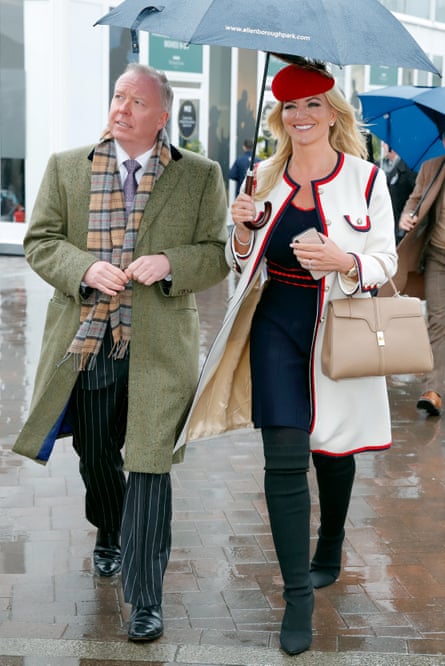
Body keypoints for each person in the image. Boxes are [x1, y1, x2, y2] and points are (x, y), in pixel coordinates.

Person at [176, 58, 397, 656]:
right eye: (290, 106)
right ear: (280, 115)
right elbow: (239, 262)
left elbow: (385, 260)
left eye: (313, 105)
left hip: (339, 329)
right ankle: (297, 594)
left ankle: (331, 543)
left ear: (332, 113)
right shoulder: (261, 177)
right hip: (276, 325)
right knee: (284, 458)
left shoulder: (367, 180)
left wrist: (346, 263)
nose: (301, 116)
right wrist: (242, 232)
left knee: (334, 449)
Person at [12, 63, 228, 642]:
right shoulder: (66, 167)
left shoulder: (201, 177)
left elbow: (216, 253)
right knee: (95, 451)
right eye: (117, 96)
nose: (122, 107)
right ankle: (108, 526)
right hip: (89, 340)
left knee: (151, 465)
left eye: (137, 101)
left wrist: (171, 264)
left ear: (162, 117)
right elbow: (40, 241)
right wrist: (85, 267)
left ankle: (145, 598)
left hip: (160, 346)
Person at [399, 133, 445, 416]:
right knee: (437, 322)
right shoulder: (433, 166)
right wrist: (406, 216)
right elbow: (414, 200)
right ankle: (434, 390)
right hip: (438, 255)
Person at [381, 144, 416, 243]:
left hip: (402, 229)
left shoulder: (408, 167)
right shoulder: (384, 166)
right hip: (389, 227)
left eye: (385, 143)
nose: (383, 146)